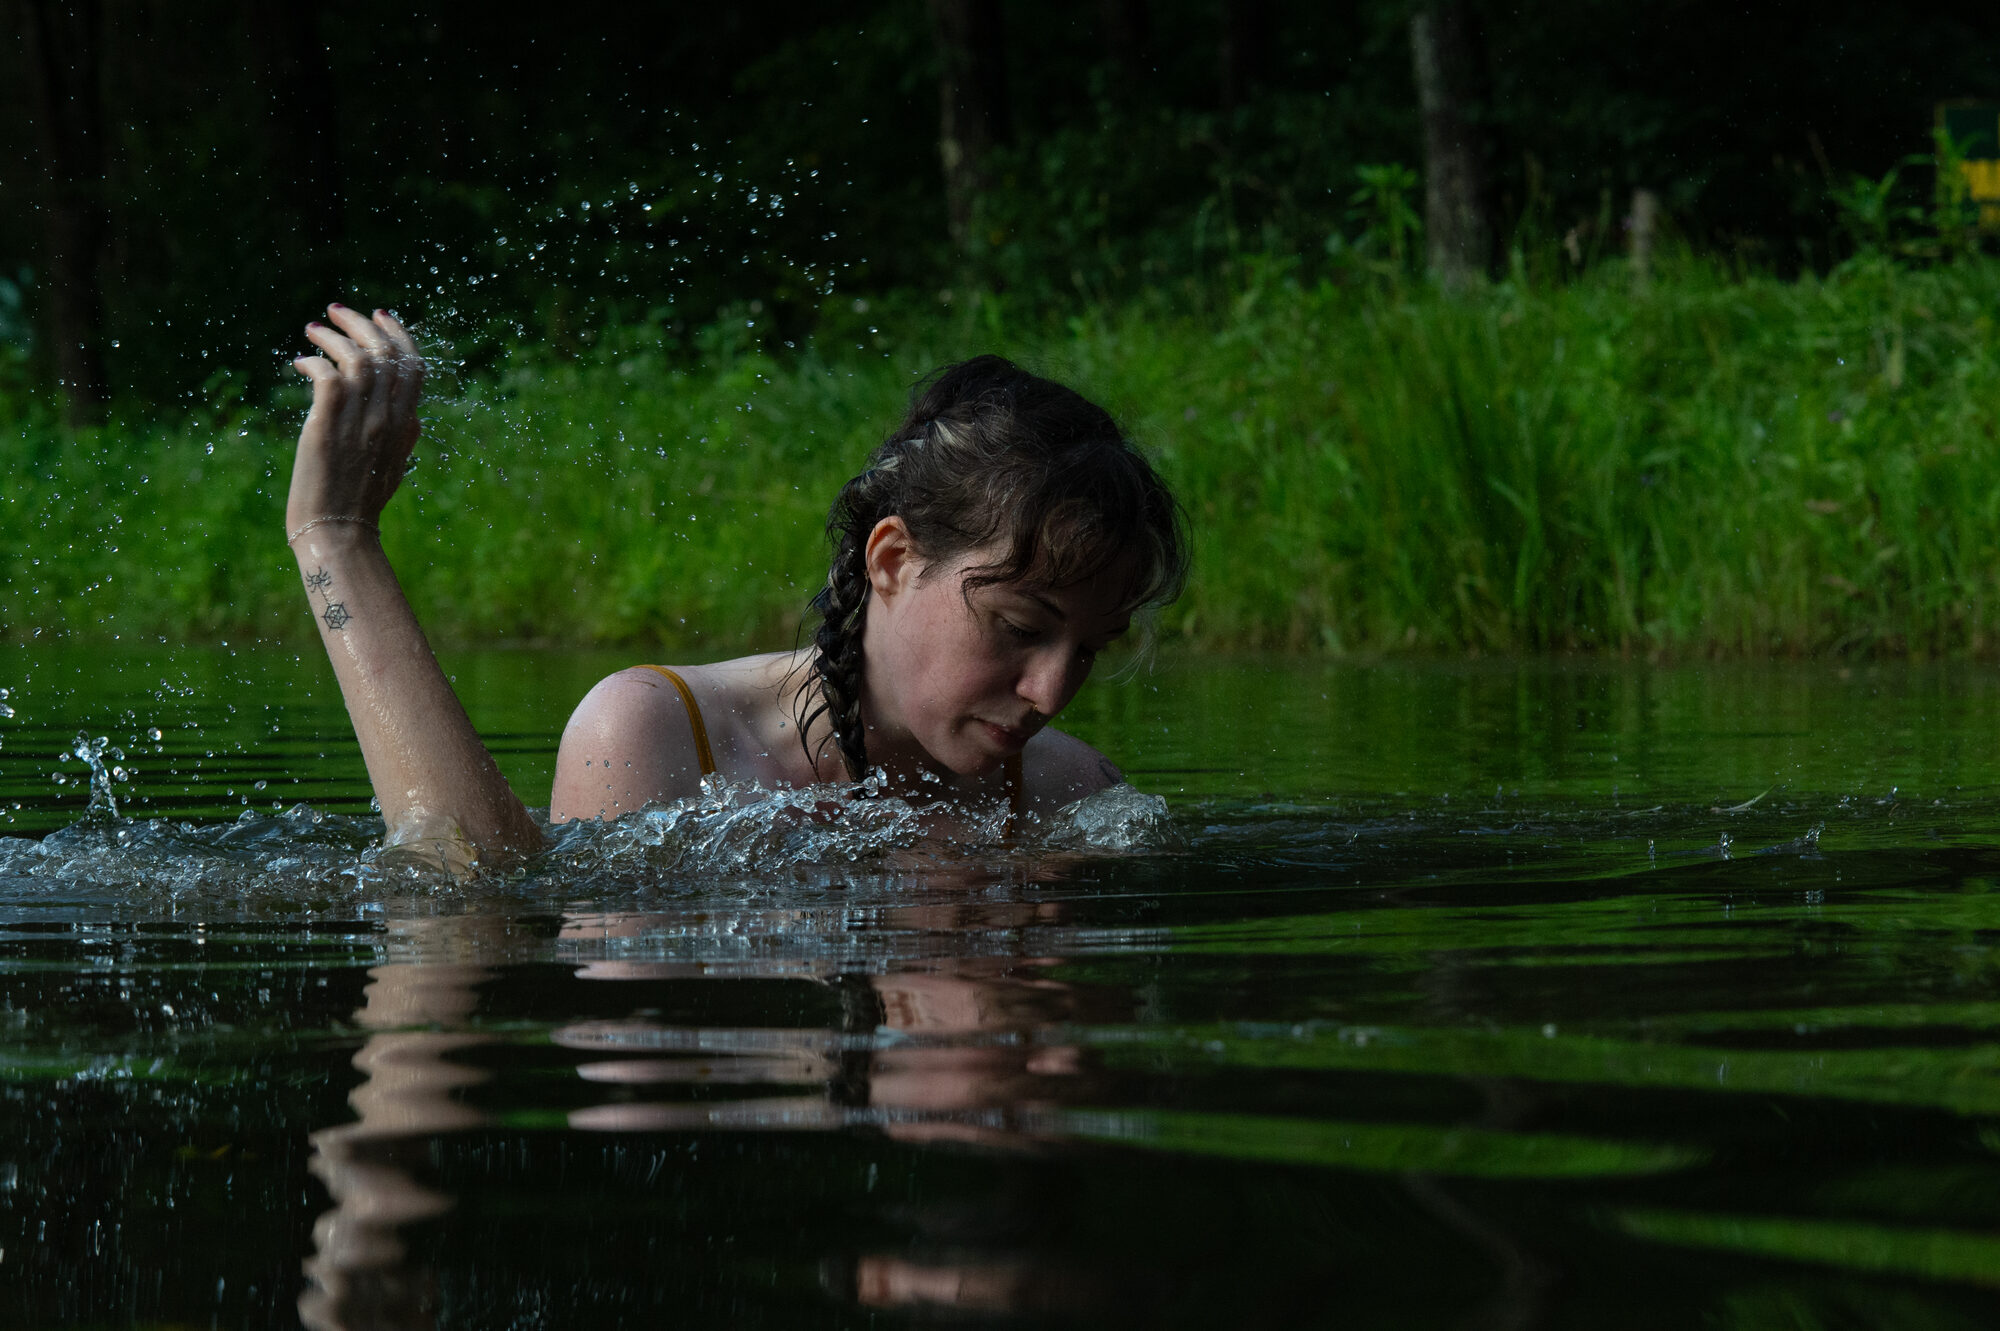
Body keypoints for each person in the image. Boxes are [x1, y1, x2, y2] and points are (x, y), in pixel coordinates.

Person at [285, 303, 1188, 867]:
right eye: (1020, 625)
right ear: (891, 561)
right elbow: (480, 902)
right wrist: (336, 538)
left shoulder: (1074, 793)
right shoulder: (657, 735)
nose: (1051, 693)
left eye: (1089, 648)